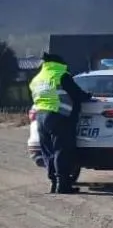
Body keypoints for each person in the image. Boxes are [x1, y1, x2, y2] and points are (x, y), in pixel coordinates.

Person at [29, 53, 93, 194]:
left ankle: (54, 183)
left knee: (49, 152)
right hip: (58, 115)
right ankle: (63, 185)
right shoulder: (61, 75)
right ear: (59, 63)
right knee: (61, 150)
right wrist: (89, 96)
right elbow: (77, 94)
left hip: (40, 117)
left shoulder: (37, 78)